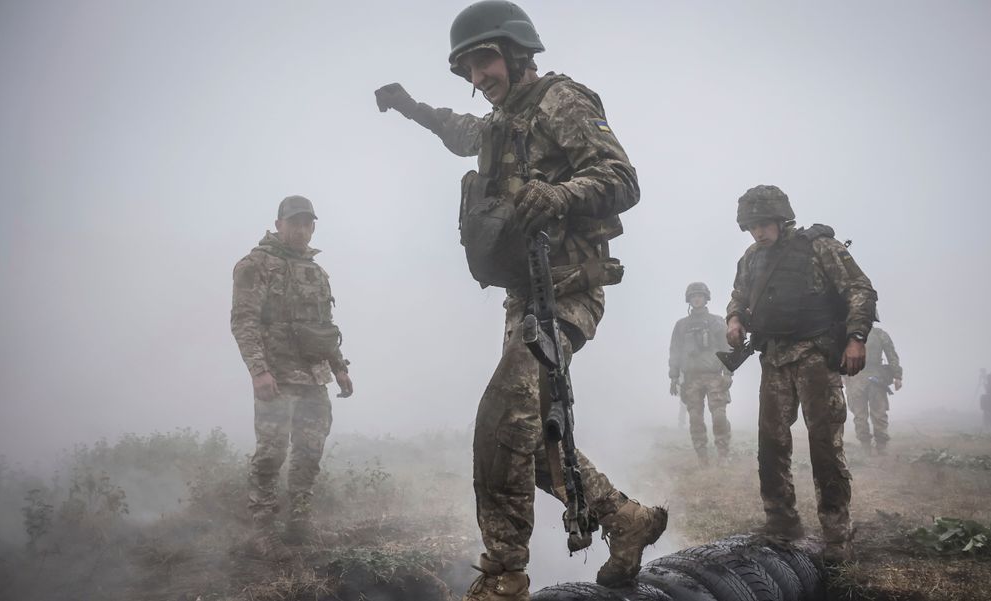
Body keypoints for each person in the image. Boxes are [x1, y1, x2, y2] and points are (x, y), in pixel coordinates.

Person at [375, 1, 665, 597]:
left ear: (515, 52)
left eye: (485, 61)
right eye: (469, 70)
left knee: (501, 417)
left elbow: (622, 178)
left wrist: (561, 194)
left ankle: (504, 573)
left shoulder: (563, 101)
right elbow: (461, 131)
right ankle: (624, 519)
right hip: (524, 299)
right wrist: (409, 107)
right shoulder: (499, 122)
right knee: (532, 441)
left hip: (569, 292)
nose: (479, 78)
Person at [725, 184, 877, 563]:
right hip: (773, 359)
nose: (758, 232)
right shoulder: (751, 258)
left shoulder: (819, 247)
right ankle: (781, 521)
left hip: (815, 356)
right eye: (751, 226)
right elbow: (739, 296)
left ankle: (837, 534)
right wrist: (733, 318)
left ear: (780, 217)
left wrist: (856, 338)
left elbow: (859, 289)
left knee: (825, 446)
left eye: (762, 224)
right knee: (771, 444)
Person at [230, 195, 354, 560]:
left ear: (313, 227)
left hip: (314, 378)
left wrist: (340, 367)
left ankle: (299, 523)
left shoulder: (316, 272)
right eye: (294, 222)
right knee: (270, 454)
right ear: (279, 224)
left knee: (309, 452)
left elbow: (324, 326)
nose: (301, 230)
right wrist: (259, 371)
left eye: (307, 223)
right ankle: (263, 532)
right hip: (276, 377)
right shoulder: (255, 265)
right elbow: (244, 321)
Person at [669, 282, 733, 465]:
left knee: (719, 416)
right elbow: (675, 351)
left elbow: (726, 347)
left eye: (700, 295)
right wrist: (674, 377)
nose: (697, 299)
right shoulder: (681, 325)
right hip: (691, 379)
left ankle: (723, 454)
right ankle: (702, 457)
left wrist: (728, 373)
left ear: (706, 298)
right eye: (693, 296)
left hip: (714, 376)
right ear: (689, 299)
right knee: (695, 419)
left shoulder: (717, 322)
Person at [845, 326, 902, 455]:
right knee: (874, 414)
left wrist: (897, 376)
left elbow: (891, 354)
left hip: (859, 379)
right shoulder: (879, 334)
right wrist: (897, 376)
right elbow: (892, 355)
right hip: (871, 378)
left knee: (863, 415)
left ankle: (869, 448)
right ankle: (876, 448)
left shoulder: (850, 334)